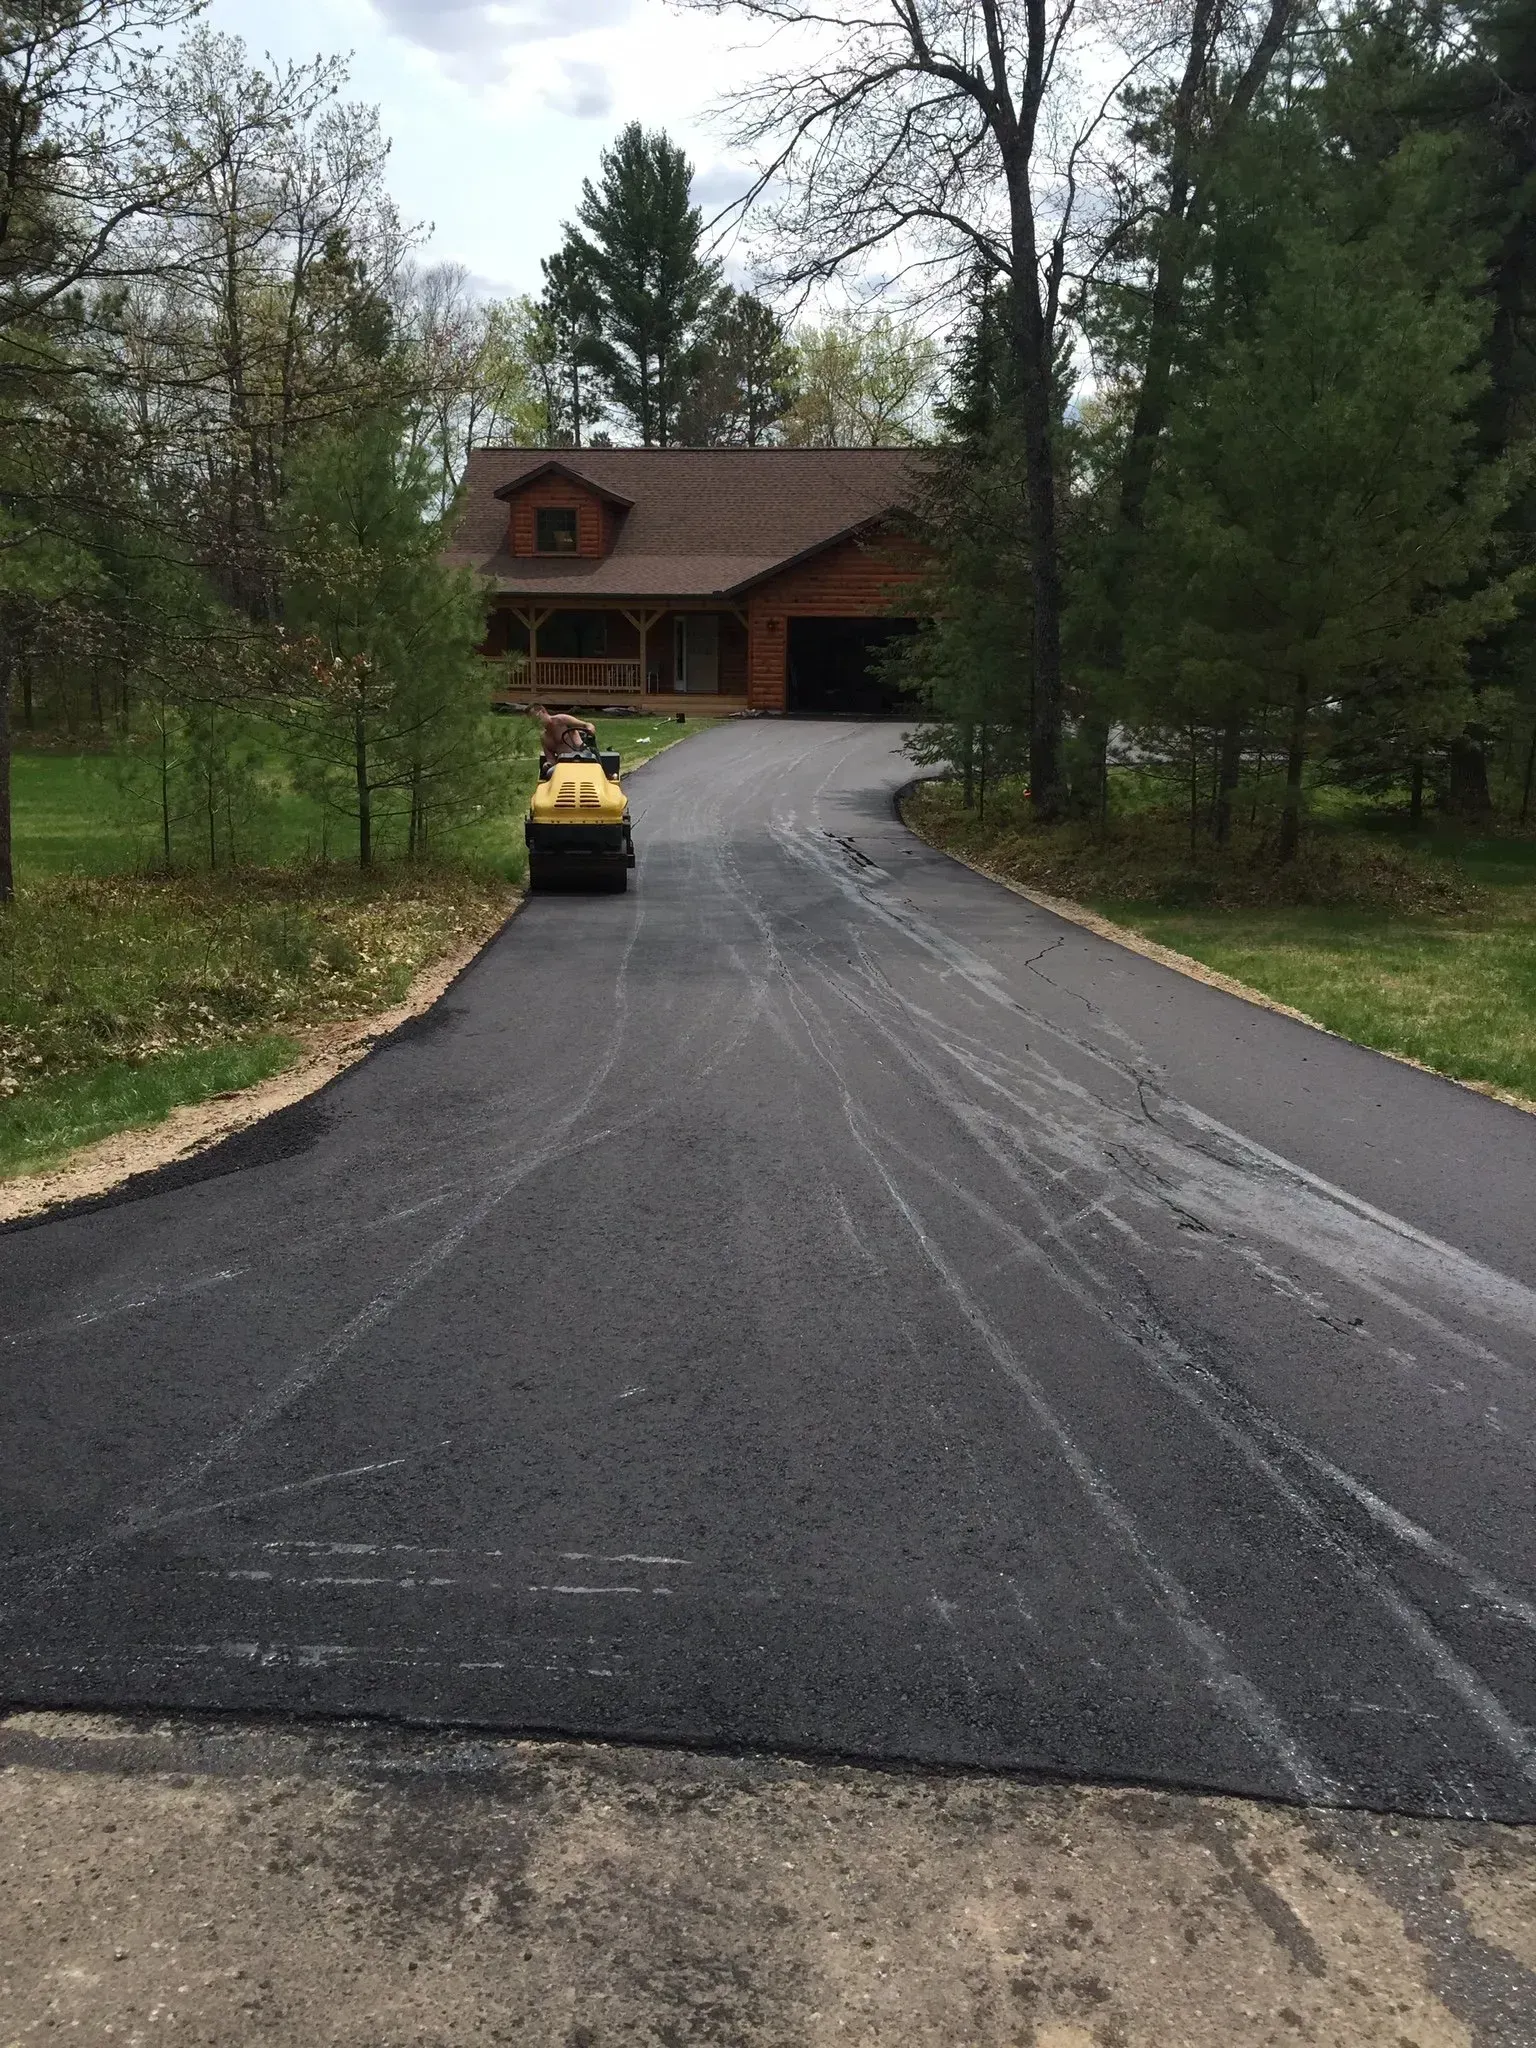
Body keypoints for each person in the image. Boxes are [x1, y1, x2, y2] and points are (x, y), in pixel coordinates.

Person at [527, 704, 596, 768]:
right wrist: (548, 764)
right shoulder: (543, 737)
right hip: (563, 764)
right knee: (550, 772)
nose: (535, 721)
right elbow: (550, 759)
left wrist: (590, 730)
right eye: (532, 720)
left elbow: (587, 725)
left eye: (536, 717)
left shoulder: (561, 720)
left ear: (543, 711)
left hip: (582, 757)